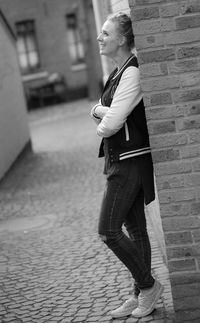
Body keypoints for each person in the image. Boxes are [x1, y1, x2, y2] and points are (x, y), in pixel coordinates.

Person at [90, 12, 164, 319]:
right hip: (119, 159)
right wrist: (102, 111)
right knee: (135, 230)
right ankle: (139, 295)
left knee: (108, 231)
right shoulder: (116, 73)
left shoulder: (132, 73)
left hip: (130, 162)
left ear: (122, 39)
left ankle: (148, 286)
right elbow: (104, 112)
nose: (100, 37)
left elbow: (109, 125)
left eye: (106, 33)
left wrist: (100, 115)